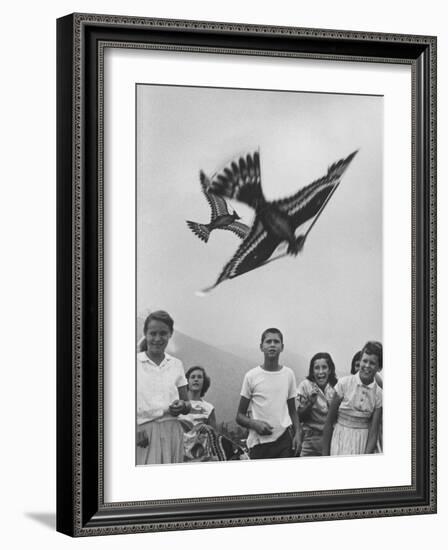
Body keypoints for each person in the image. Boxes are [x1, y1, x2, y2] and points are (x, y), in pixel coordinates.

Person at [236, 328, 301, 460]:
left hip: (284, 441)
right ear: (261, 347)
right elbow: (239, 416)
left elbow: (292, 411)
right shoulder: (251, 376)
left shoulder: (288, 374)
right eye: (268, 341)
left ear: (282, 347)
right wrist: (255, 424)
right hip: (259, 444)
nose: (272, 345)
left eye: (276, 342)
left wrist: (298, 434)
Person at [136, 310, 191, 465]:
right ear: (145, 334)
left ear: (170, 334)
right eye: (153, 333)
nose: (157, 339)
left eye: (163, 333)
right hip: (143, 434)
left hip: (173, 431)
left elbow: (187, 404)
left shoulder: (176, 364)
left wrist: (181, 405)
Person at [321, 341, 382, 456]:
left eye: (372, 363)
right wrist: (325, 455)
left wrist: (366, 457)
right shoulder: (343, 384)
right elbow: (328, 422)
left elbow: (373, 433)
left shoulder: (379, 394)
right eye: (365, 361)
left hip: (361, 443)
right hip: (339, 439)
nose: (367, 366)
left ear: (379, 368)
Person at [297, 352, 337, 456]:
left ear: (330, 370)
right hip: (310, 438)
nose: (321, 372)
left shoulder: (337, 387)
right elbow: (299, 416)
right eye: (317, 368)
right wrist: (310, 402)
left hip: (332, 438)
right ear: (312, 371)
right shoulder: (305, 385)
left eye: (324, 367)